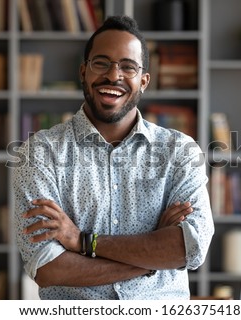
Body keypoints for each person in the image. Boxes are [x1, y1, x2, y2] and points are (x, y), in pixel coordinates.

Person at [11, 15, 214, 300]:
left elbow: (189, 248)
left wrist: (82, 241)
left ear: (144, 81)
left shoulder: (180, 151)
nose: (113, 75)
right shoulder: (39, 152)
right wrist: (152, 255)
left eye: (128, 67)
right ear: (83, 71)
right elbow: (49, 267)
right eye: (101, 63)